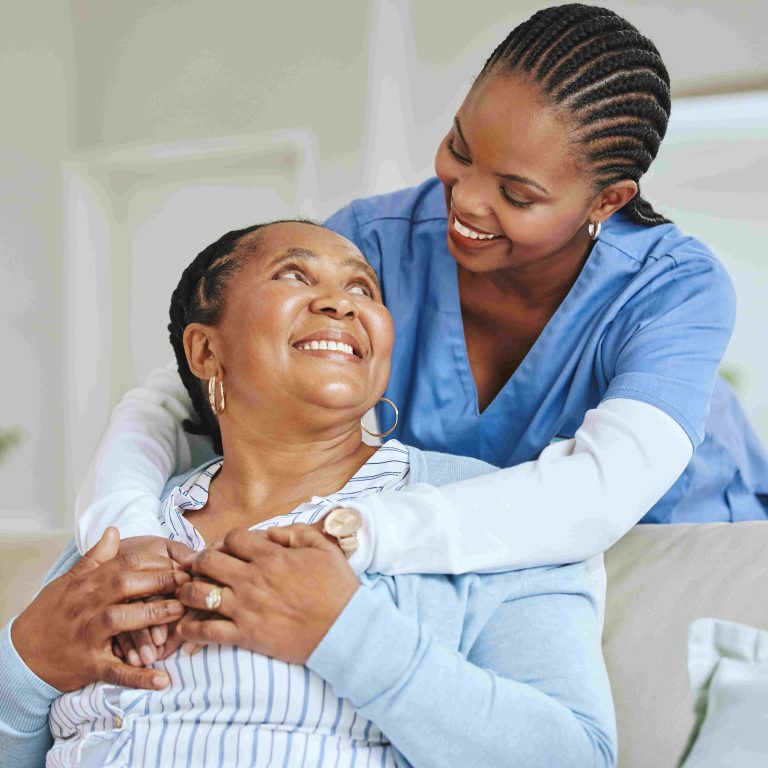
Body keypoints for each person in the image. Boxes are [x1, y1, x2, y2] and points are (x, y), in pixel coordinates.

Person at [77, 5, 767, 655]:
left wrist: (359, 532)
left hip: (682, 550)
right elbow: (182, 391)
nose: (464, 200)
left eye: (517, 194)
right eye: (458, 150)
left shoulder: (673, 288)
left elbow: (601, 492)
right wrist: (125, 533)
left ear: (607, 200)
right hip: (477, 563)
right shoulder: (372, 245)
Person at [0, 220, 615, 767]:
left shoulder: (498, 507)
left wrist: (345, 632)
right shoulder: (126, 527)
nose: (341, 304)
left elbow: (576, 755)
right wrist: (22, 667)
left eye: (363, 290)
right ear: (206, 350)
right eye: (294, 274)